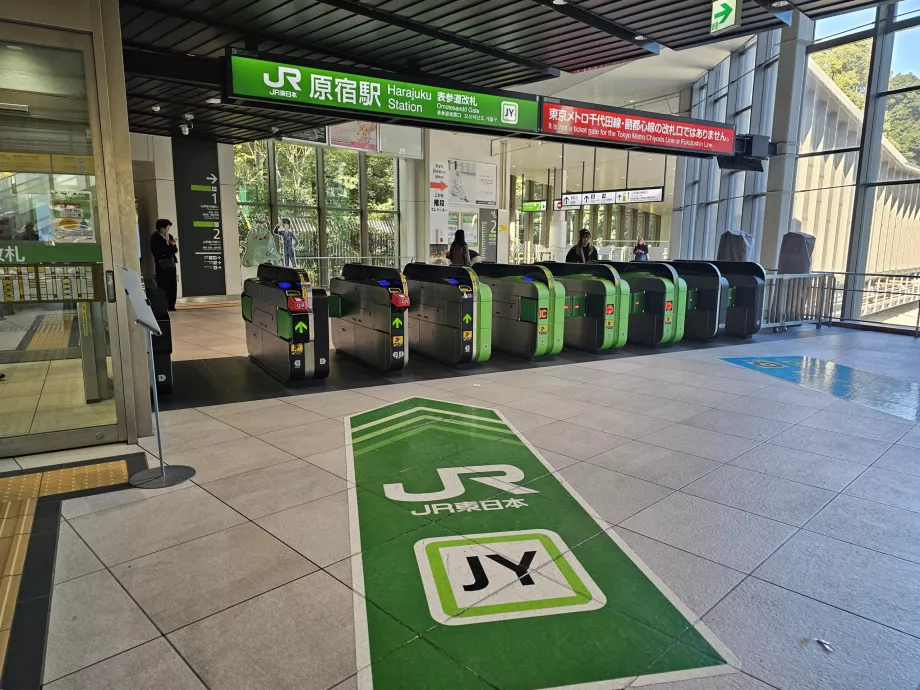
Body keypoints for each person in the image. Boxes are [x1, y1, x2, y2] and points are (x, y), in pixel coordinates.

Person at [150, 218, 178, 311]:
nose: (167, 230)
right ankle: (163, 305)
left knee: (172, 285)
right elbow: (159, 252)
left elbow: (174, 251)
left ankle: (171, 305)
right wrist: (167, 244)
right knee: (163, 285)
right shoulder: (155, 237)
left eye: (168, 228)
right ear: (160, 228)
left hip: (171, 264)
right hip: (162, 265)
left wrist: (172, 244)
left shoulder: (169, 236)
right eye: (165, 228)